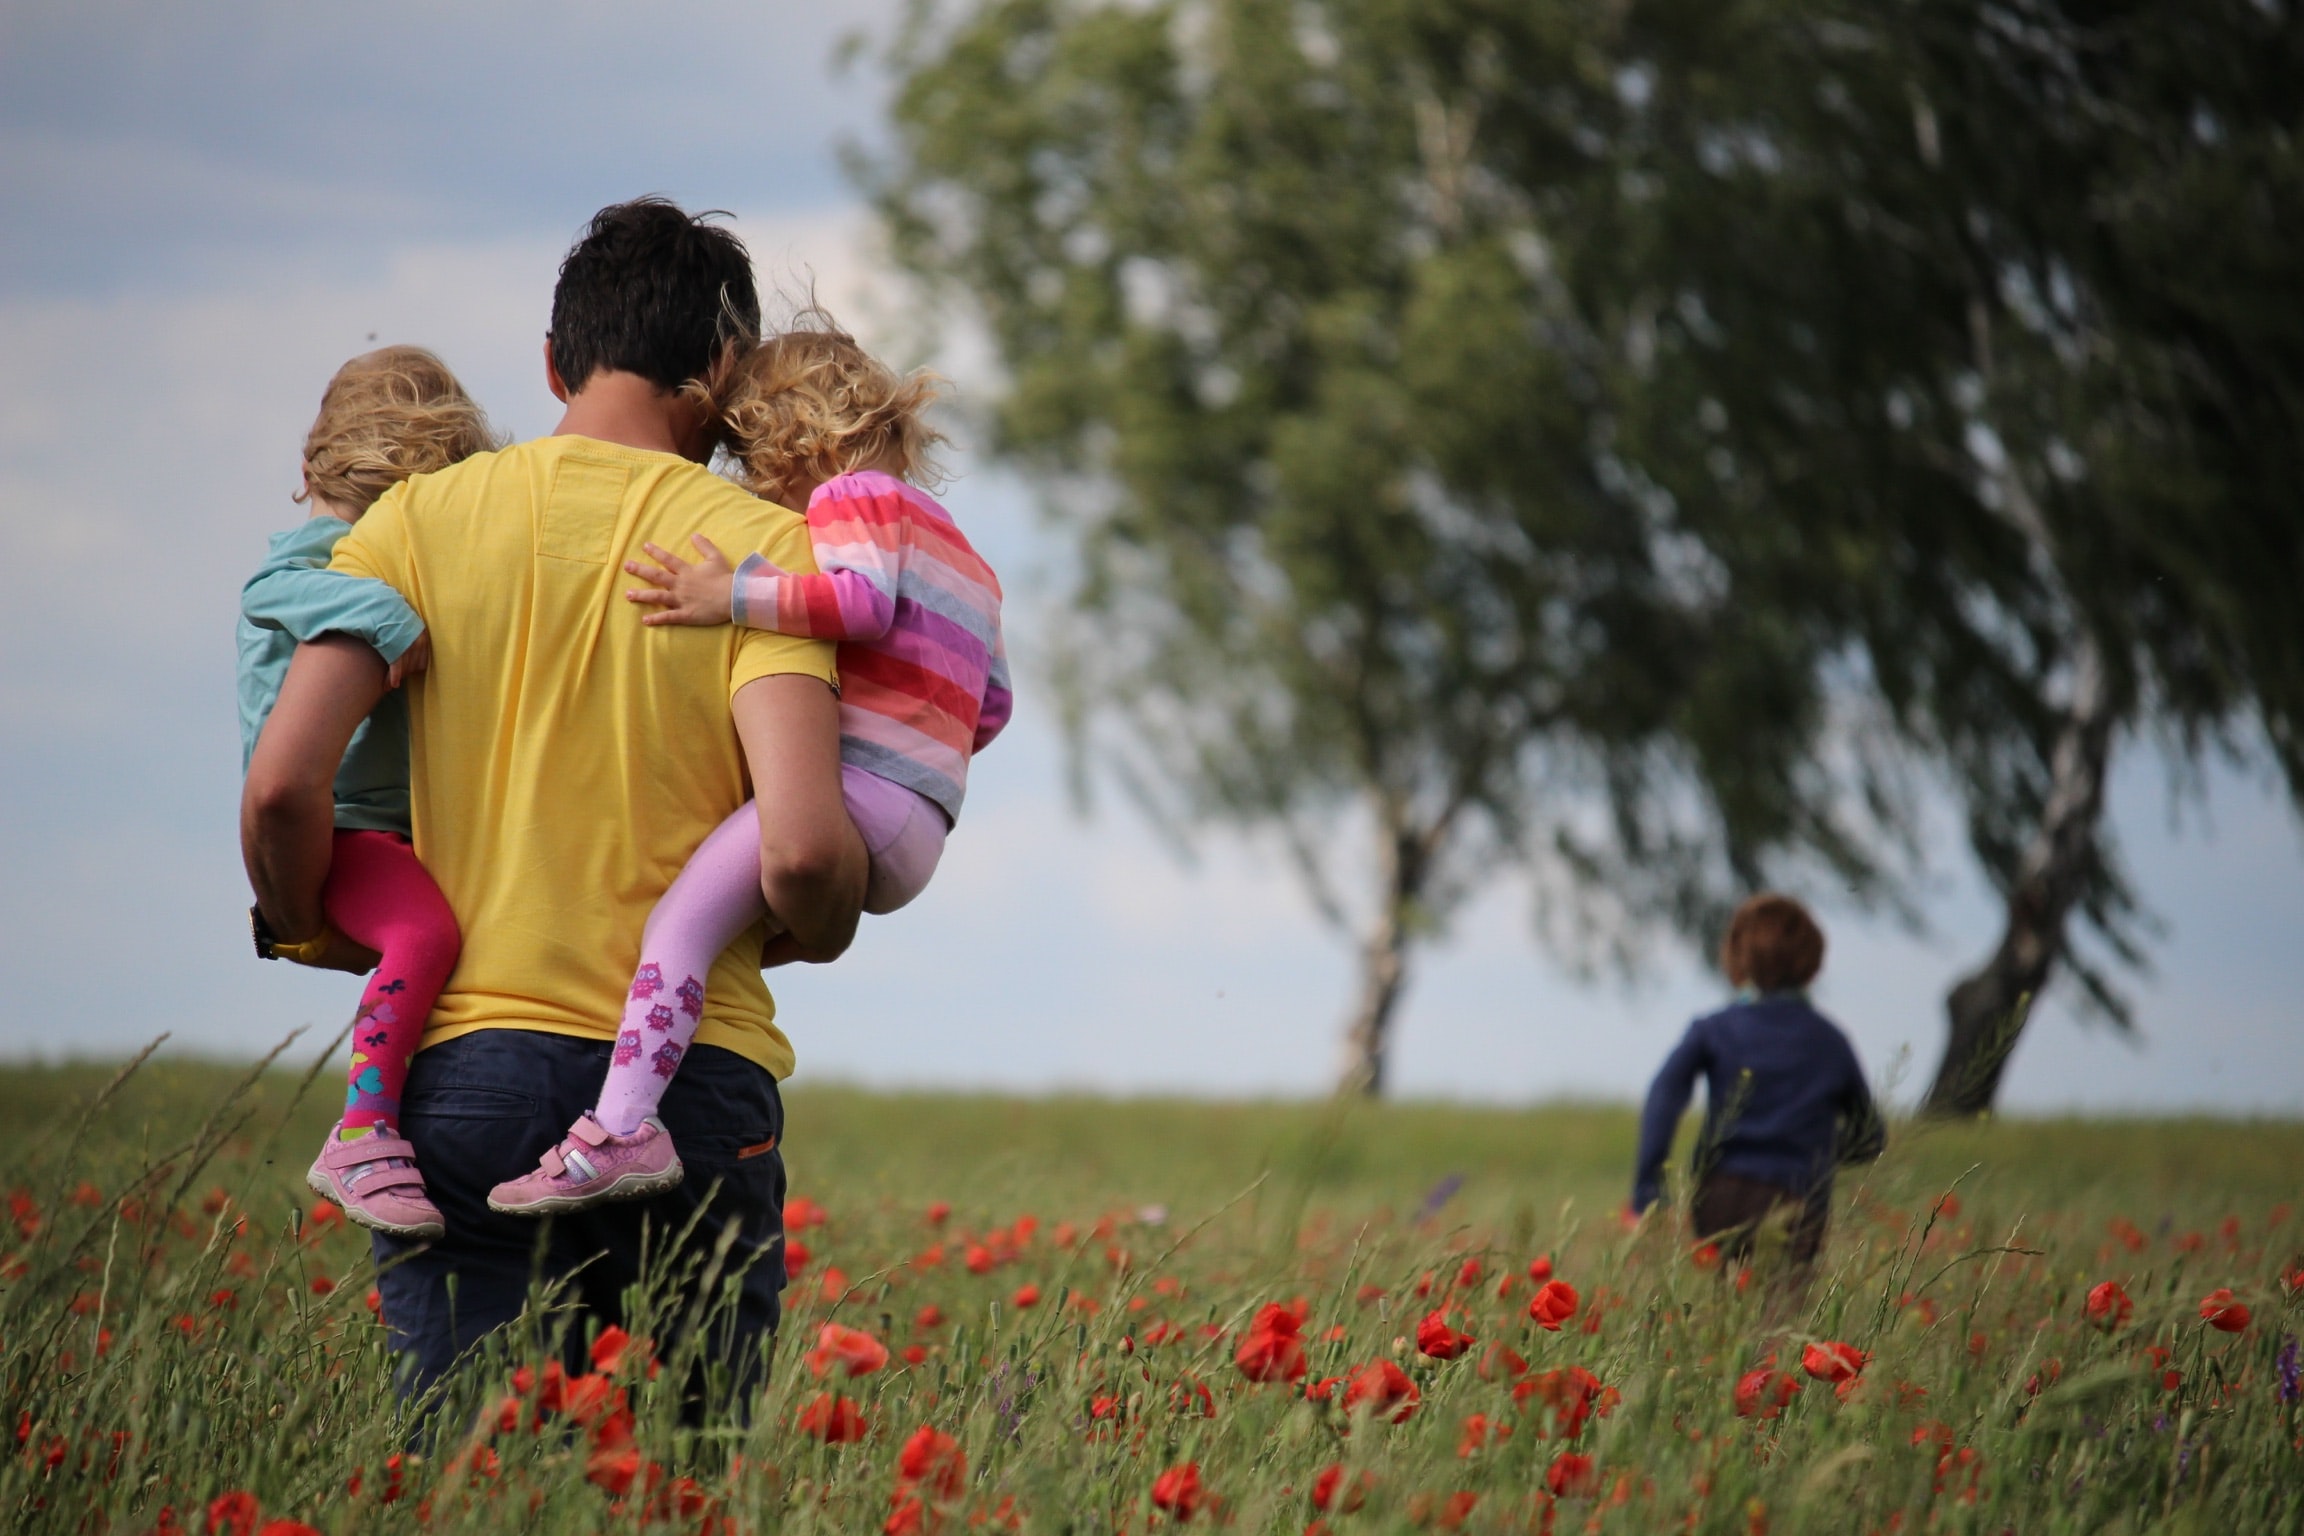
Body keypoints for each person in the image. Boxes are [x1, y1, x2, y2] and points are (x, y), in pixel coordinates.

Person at [241, 197, 867, 1395]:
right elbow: (798, 850)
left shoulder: (410, 525)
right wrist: (823, 925)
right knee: (684, 1480)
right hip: (690, 1085)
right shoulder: (761, 554)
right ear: (724, 370)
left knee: (472, 1479)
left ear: (551, 361)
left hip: (464, 1071)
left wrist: (311, 922)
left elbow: (281, 787)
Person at [487, 319, 1012, 1215]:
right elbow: (991, 706)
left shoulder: (853, 500)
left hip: (859, 797)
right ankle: (648, 1085)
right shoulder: (967, 554)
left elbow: (858, 603)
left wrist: (727, 594)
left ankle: (620, 1129)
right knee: (723, 932)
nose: (756, 486)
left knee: (677, 929)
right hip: (923, 821)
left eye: (751, 459)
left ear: (792, 440)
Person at [237, 346, 497, 1239]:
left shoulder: (362, 546)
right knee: (425, 934)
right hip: (344, 827)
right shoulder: (319, 558)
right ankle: (364, 1130)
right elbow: (272, 588)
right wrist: (387, 615)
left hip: (389, 828)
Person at [1628, 893, 1884, 1269]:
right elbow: (1869, 1136)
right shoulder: (1830, 1042)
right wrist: (1816, 1152)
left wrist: (1648, 1191)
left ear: (1736, 957)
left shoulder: (1713, 1030)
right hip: (1797, 1197)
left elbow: (1663, 1097)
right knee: (1781, 1315)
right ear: (1811, 963)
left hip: (1720, 1194)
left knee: (1728, 1307)